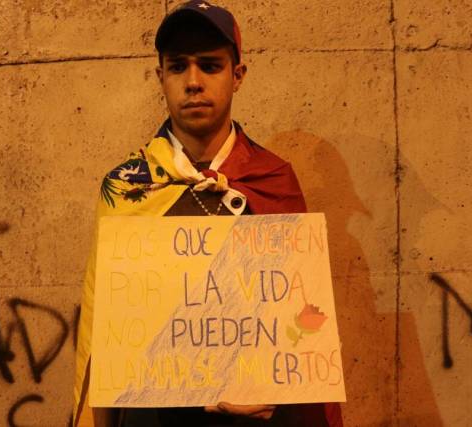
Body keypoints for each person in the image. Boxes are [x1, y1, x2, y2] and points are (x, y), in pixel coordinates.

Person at [73, 1, 343, 426]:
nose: (193, 82)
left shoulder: (272, 180)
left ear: (238, 76)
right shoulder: (128, 188)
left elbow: (300, 317)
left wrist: (274, 385)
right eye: (178, 66)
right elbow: (102, 331)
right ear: (160, 76)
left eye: (210, 66)